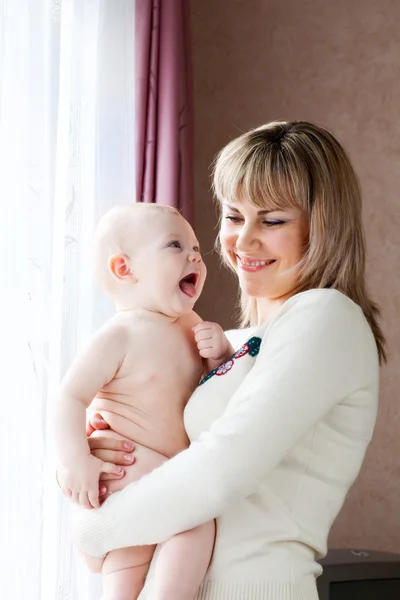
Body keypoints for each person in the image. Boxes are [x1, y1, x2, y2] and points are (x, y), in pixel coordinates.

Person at [71, 120, 385, 600]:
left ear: (321, 226)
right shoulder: (238, 344)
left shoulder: (327, 317)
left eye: (272, 220)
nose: (242, 240)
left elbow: (219, 471)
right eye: (234, 216)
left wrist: (92, 530)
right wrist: (94, 454)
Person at [55, 203, 236, 600]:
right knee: (193, 524)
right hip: (128, 465)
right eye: (175, 245)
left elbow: (212, 393)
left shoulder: (193, 326)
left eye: (195, 249)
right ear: (125, 269)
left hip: (164, 468)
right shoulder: (119, 335)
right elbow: (69, 397)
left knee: (139, 560)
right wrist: (73, 462)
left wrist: (221, 357)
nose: (193, 255)